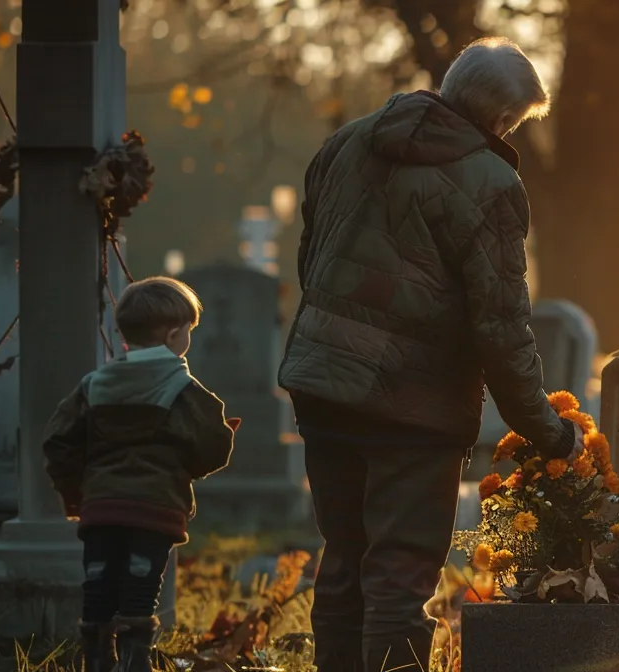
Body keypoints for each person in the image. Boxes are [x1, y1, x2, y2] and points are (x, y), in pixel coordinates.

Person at [280, 37, 578, 671]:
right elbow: (500, 324)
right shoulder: (491, 181)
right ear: (501, 119)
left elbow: (313, 253)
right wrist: (546, 429)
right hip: (411, 406)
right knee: (398, 574)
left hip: (323, 382)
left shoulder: (348, 140)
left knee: (344, 556)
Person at [43, 277, 238, 672]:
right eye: (189, 332)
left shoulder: (94, 385)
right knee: (140, 584)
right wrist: (192, 464)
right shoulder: (182, 388)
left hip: (100, 505)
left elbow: (59, 440)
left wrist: (77, 491)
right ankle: (135, 659)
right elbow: (210, 447)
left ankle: (96, 656)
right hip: (154, 507)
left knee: (97, 581)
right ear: (173, 335)